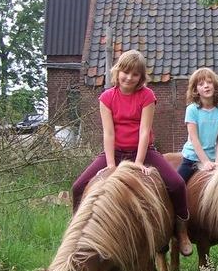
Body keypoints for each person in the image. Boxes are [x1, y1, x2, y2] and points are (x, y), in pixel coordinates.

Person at [71, 49, 193, 256]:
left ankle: (181, 232)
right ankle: (77, 236)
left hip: (144, 152)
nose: (129, 78)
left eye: (135, 74)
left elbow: (144, 131)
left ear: (141, 77)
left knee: (177, 183)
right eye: (125, 72)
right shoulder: (107, 97)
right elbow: (109, 133)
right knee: (78, 187)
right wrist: (110, 165)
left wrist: (138, 162)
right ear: (118, 72)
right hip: (115, 152)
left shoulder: (147, 96)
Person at [177, 68, 218, 182]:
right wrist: (205, 162)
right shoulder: (192, 110)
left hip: (212, 157)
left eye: (209, 82)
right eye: (201, 84)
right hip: (192, 158)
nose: (206, 86)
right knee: (177, 184)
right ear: (196, 90)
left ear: (215, 86)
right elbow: (194, 138)